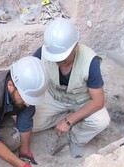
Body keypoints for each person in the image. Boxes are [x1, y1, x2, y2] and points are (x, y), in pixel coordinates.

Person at [33, 18, 110, 158]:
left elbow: (98, 101)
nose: (59, 61)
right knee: (30, 123)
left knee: (101, 121)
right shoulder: (42, 53)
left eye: (63, 57)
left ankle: (77, 139)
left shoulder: (90, 61)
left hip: (81, 101)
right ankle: (65, 117)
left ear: (75, 45)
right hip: (53, 96)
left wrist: (69, 121)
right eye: (55, 57)